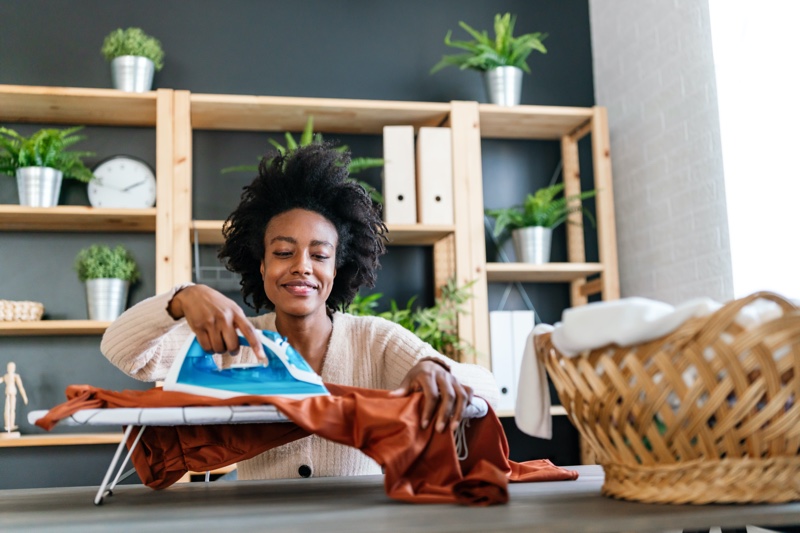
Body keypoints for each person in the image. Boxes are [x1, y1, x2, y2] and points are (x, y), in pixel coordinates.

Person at [101, 142, 499, 480]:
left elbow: (485, 389)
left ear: (336, 267)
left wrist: (435, 370)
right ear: (261, 265)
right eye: (283, 253)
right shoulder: (231, 341)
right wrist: (181, 297)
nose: (302, 266)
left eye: (319, 255)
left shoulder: (375, 340)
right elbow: (123, 350)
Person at [3, 361, 28, 433]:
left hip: (12, 392)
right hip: (8, 392)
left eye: (11, 367)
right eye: (9, 367)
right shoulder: (6, 376)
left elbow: (21, 387)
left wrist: (24, 397)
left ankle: (11, 424)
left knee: (12, 409)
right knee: (7, 409)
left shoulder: (15, 376)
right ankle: (8, 425)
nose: (10, 368)